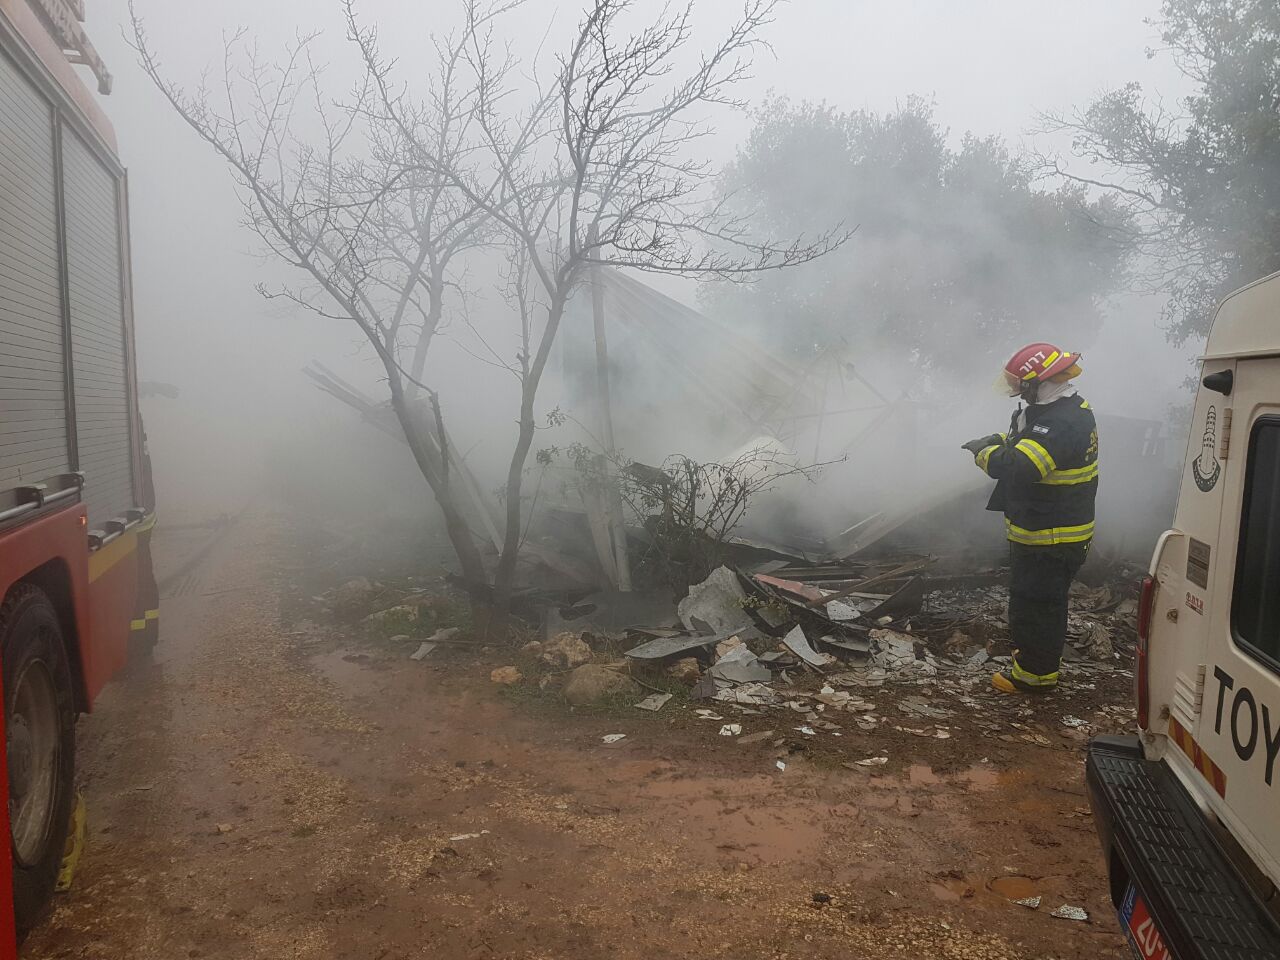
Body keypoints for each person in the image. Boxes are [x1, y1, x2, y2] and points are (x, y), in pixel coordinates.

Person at [961, 343, 1099, 694]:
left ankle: (1034, 678)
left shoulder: (1062, 421)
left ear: (1041, 382)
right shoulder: (1052, 412)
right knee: (1032, 604)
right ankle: (1033, 666)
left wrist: (985, 452)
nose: (1016, 391)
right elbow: (1024, 448)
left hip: (1052, 538)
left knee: (1037, 609)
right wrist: (1003, 441)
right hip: (1044, 533)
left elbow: (1023, 468)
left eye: (1021, 384)